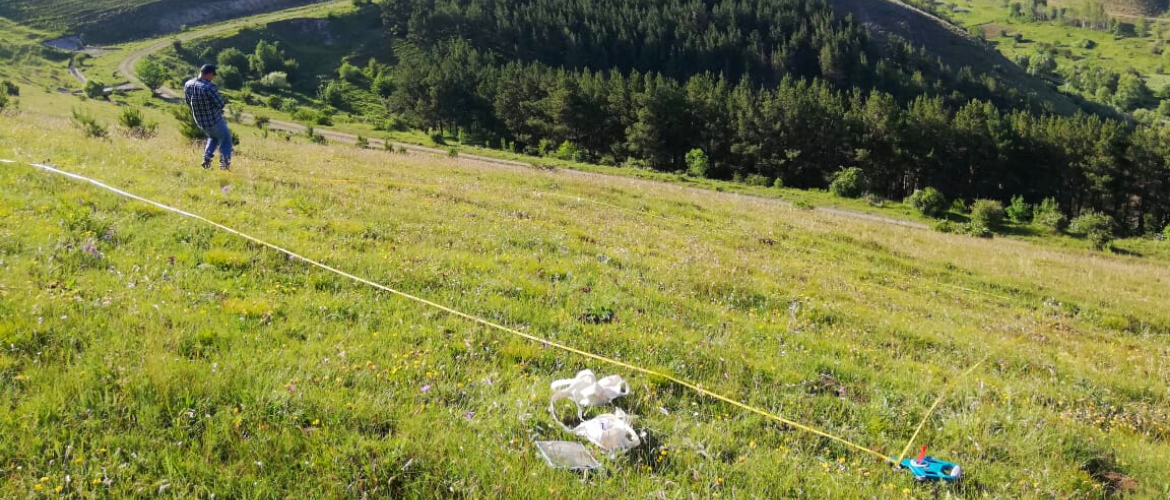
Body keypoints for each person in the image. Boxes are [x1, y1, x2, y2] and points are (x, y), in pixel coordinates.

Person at [183, 64, 232, 170]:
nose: (213, 77)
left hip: (200, 121)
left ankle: (206, 159)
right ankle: (224, 164)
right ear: (209, 74)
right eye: (213, 75)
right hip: (214, 120)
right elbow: (220, 104)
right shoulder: (209, 87)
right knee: (226, 140)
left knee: (213, 137)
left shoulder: (188, 84)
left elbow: (187, 102)